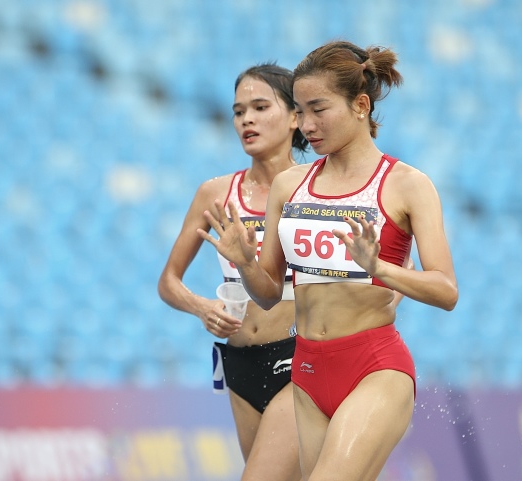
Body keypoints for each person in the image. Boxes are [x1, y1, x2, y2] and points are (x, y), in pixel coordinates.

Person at [198, 41, 458, 481]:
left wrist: (381, 270)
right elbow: (265, 294)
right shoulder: (289, 185)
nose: (307, 125)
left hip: (374, 367)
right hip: (308, 371)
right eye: (299, 111)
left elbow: (446, 291)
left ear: (360, 105)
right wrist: (245, 261)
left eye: (318, 109)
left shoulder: (408, 185)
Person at [158, 63, 308, 481]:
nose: (247, 119)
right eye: (239, 111)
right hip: (238, 361)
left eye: (261, 107)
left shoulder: (319, 187)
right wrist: (200, 307)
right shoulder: (215, 193)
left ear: (296, 116)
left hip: (300, 360)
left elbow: (394, 264)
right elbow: (168, 281)